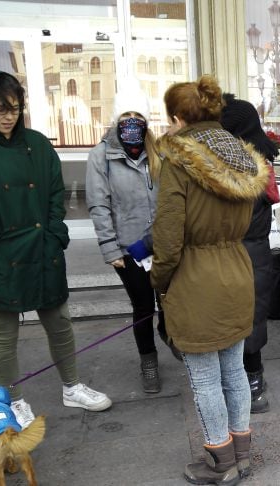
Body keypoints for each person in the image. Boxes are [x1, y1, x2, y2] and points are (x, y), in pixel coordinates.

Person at [0, 70, 112, 429]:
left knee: (60, 323)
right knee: (3, 335)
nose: (7, 116)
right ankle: (13, 400)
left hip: (42, 250)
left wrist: (55, 232)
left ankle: (72, 386)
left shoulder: (38, 143)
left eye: (13, 108)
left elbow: (55, 194)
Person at [151, 75, 268, 484]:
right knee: (234, 370)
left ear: (179, 118)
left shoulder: (178, 161)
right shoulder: (239, 154)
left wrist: (158, 281)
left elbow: (167, 238)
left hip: (194, 277)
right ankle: (242, 452)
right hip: (237, 269)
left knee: (204, 379)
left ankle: (220, 462)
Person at [86, 82, 168, 394]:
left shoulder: (158, 152)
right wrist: (110, 248)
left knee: (170, 304)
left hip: (161, 245)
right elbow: (98, 203)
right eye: (126, 115)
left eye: (138, 116)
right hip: (128, 249)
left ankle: (170, 335)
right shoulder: (101, 156)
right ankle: (148, 361)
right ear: (116, 119)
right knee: (144, 306)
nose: (132, 122)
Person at [220, 94, 280, 414]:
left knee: (245, 319)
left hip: (242, 251)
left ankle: (251, 384)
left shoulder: (240, 168)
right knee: (253, 317)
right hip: (256, 252)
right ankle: (253, 380)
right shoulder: (260, 162)